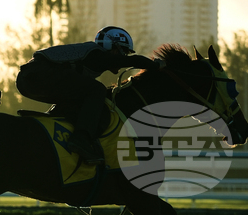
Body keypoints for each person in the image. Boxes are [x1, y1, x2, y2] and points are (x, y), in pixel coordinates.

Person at [16, 26, 160, 163]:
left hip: (28, 78)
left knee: (81, 95)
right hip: (37, 75)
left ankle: (54, 120)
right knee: (97, 90)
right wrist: (158, 65)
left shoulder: (92, 55)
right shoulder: (97, 55)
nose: (123, 56)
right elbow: (133, 61)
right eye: (122, 51)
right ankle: (81, 138)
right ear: (112, 46)